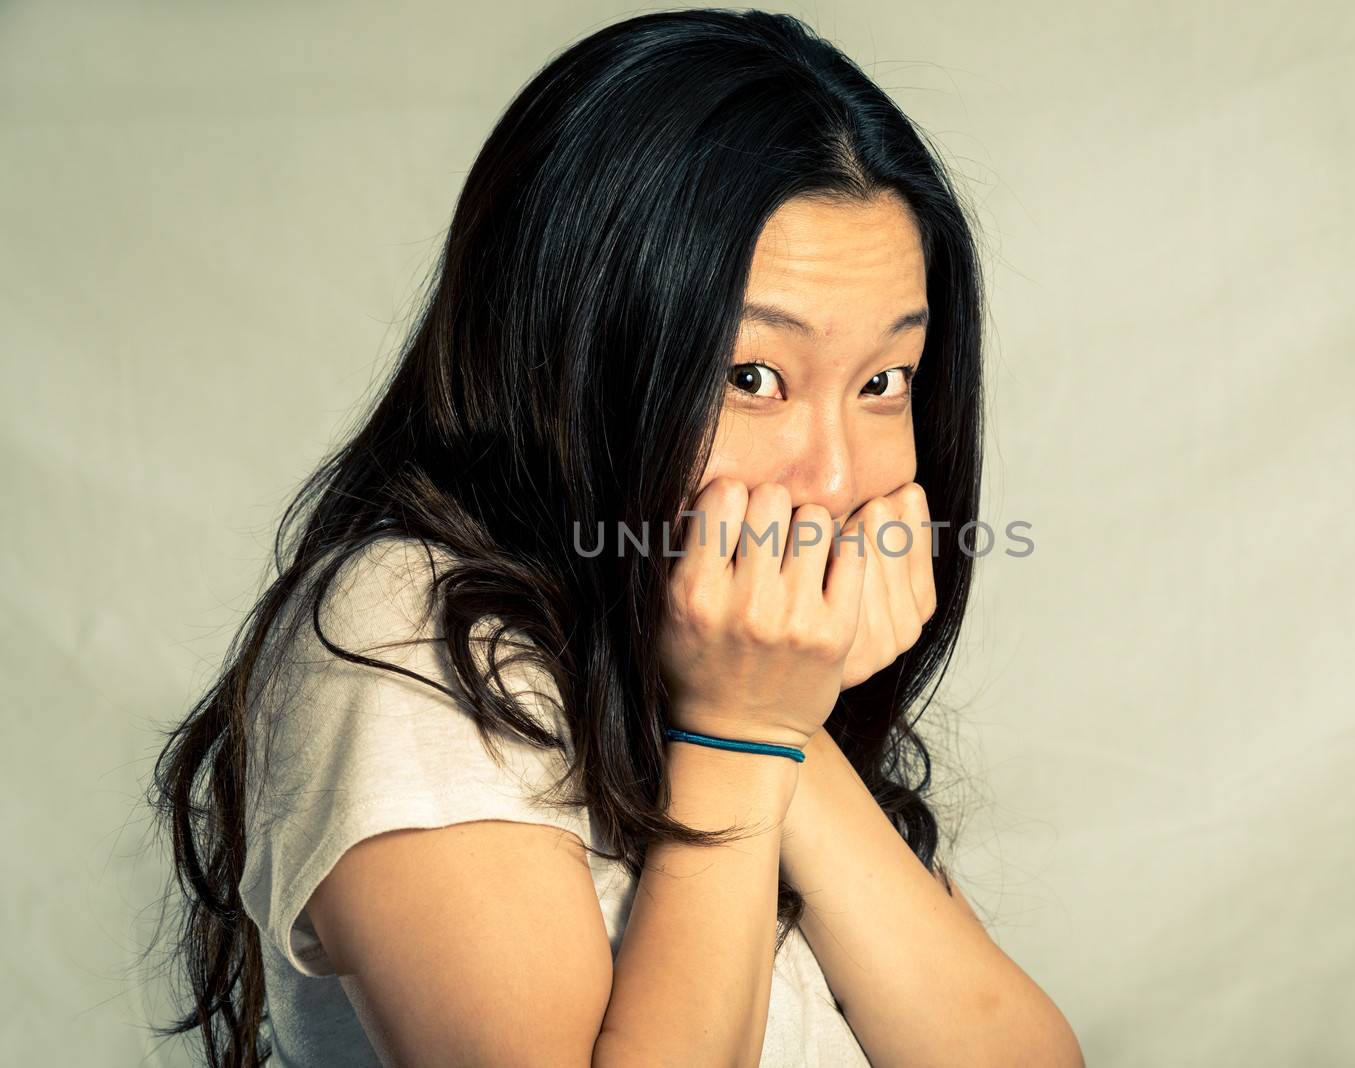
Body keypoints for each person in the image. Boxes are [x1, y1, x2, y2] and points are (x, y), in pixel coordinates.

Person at [146, 8, 1084, 1066]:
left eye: (882, 382)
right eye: (751, 378)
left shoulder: (720, 660)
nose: (830, 475)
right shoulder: (408, 636)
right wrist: (741, 738)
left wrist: (778, 718)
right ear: (576, 353)